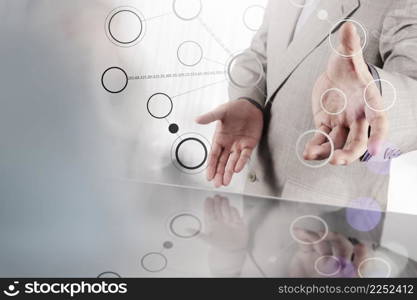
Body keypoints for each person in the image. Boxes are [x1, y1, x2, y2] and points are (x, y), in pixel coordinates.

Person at [196, 0, 417, 208]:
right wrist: (248, 98)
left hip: (331, 223)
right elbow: (260, 52)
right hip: (257, 195)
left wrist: (374, 95)